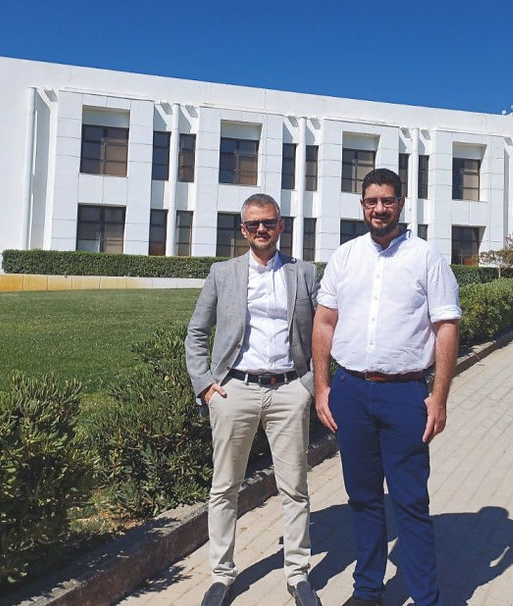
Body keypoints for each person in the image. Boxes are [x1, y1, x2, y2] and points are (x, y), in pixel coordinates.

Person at [313, 168, 461, 606]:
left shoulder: (426, 258)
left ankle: (425, 596)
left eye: (388, 201)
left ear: (401, 203)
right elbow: (324, 322)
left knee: (411, 502)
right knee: (362, 499)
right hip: (350, 392)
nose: (380, 208)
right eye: (371, 201)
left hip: (403, 395)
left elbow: (446, 326)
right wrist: (322, 388)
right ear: (362, 205)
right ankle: (368, 591)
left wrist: (439, 395)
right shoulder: (345, 256)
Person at [185, 194, 320, 606]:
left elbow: (323, 333)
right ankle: (221, 576)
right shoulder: (222, 273)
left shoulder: (305, 274)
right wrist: (206, 385)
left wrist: (309, 385)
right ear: (243, 231)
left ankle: (298, 575)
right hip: (234, 391)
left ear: (281, 226)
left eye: (269, 222)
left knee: (294, 487)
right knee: (224, 487)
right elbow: (196, 333)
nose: (261, 230)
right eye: (253, 224)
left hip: (288, 391)